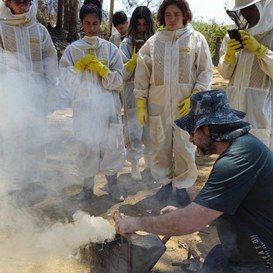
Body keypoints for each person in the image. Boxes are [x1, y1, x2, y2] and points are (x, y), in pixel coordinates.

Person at [114, 89, 273, 273]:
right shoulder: (244, 147)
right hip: (247, 246)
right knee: (216, 258)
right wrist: (188, 213)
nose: (190, 138)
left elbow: (188, 223)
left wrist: (136, 223)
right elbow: (217, 208)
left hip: (264, 259)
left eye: (192, 130)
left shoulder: (235, 161)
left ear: (207, 128)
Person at [134, 0, 213, 205]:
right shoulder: (153, 42)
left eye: (176, 14)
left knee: (184, 146)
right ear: (162, 17)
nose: (171, 19)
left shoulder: (196, 40)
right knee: (159, 145)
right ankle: (165, 184)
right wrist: (141, 103)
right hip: (157, 106)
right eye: (167, 14)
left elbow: (205, 72)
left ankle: (183, 187)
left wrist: (196, 96)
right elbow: (142, 74)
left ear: (184, 15)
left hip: (185, 107)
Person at [59, 0, 126, 202]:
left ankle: (112, 185)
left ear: (100, 23)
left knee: (111, 145)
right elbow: (65, 82)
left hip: (108, 107)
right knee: (86, 145)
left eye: (95, 23)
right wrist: (77, 68)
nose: (91, 27)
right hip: (85, 108)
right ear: (81, 24)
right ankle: (87, 188)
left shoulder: (110, 49)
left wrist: (104, 71)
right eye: (87, 23)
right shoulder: (72, 51)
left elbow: (120, 80)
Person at [0, 0, 59, 205]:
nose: (24, 6)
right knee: (13, 139)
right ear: (7, 2)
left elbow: (50, 59)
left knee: (36, 137)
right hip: (9, 96)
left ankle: (34, 180)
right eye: (18, 2)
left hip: (37, 96)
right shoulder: (1, 27)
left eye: (27, 2)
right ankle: (13, 185)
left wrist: (51, 89)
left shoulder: (39, 29)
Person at [218, 0, 273, 151]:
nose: (245, 13)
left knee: (261, 162)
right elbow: (224, 73)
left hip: (262, 112)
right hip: (233, 109)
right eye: (241, 9)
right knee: (234, 158)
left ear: (263, 5)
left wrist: (262, 51)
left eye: (249, 8)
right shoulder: (232, 35)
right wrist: (229, 57)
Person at [120, 6, 155, 181]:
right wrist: (133, 62)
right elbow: (122, 74)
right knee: (134, 131)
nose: (141, 28)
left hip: (152, 93)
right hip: (132, 93)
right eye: (138, 24)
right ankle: (134, 166)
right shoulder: (125, 44)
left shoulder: (156, 43)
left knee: (150, 131)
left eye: (144, 25)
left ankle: (149, 166)